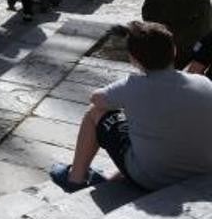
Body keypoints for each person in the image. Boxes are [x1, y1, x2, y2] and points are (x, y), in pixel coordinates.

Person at [50, 21, 212, 193]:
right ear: (174, 50)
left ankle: (75, 179)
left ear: (133, 59)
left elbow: (96, 99)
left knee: (95, 113)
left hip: (153, 179)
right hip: (201, 172)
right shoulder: (204, 83)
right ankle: (113, 178)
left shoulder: (132, 87)